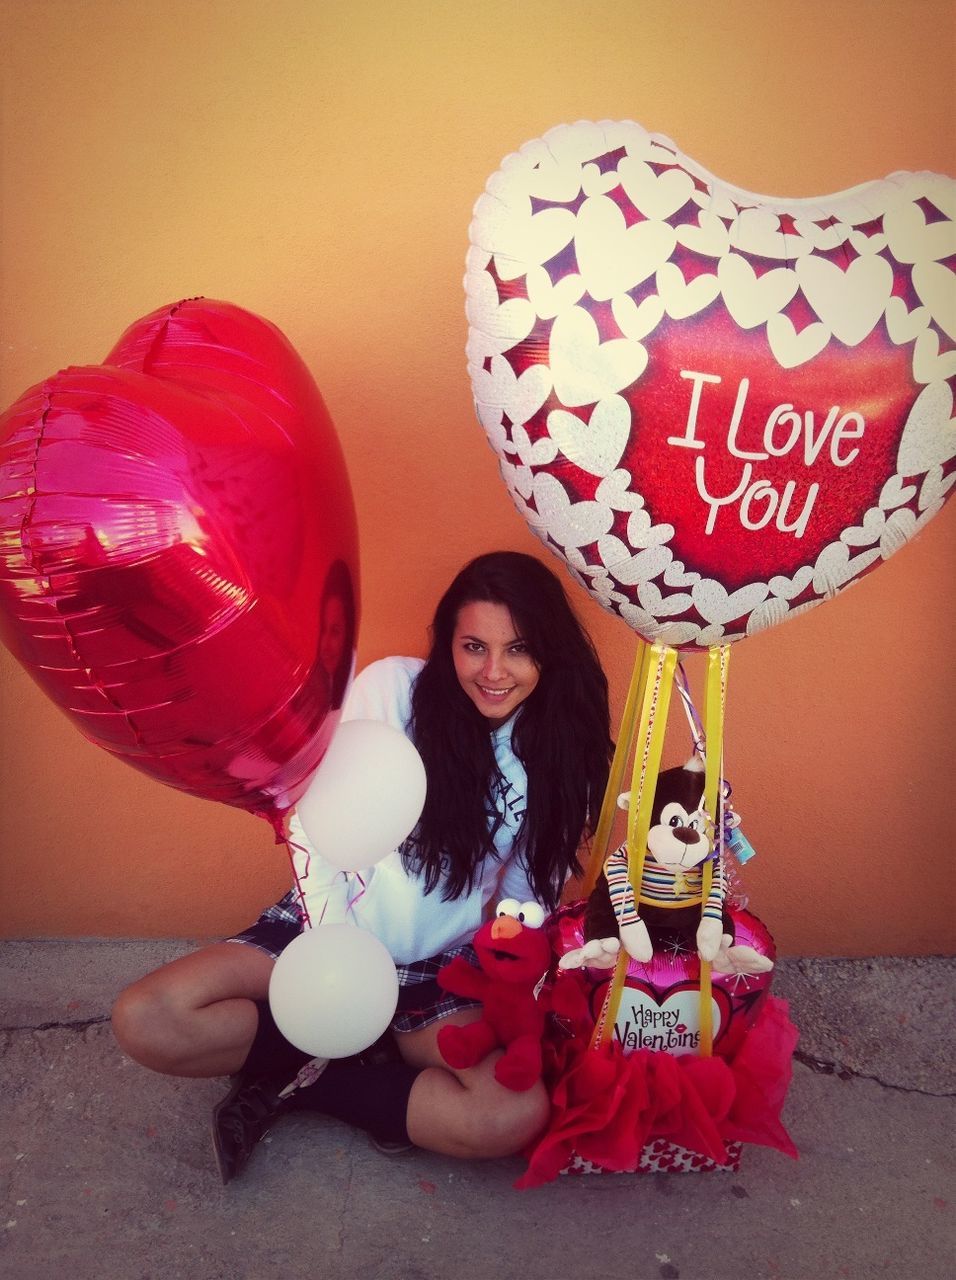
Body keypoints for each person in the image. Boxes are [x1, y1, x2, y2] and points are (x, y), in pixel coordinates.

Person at [111, 551, 612, 1182]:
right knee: (148, 1017)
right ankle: (349, 1049)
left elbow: (524, 892)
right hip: (329, 928)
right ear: (447, 643)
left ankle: (312, 1083)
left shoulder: (559, 748)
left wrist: (510, 974)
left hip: (439, 967)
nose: (493, 671)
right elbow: (314, 823)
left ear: (549, 653)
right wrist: (333, 956)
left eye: (518, 649)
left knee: (508, 1116)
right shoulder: (395, 690)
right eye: (473, 646)